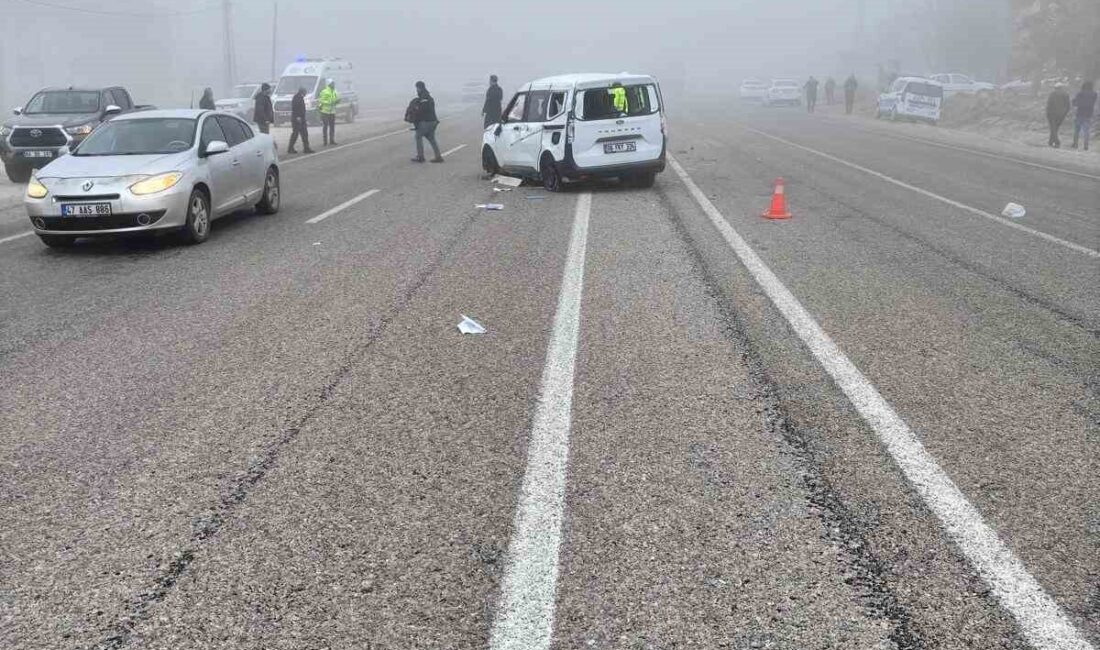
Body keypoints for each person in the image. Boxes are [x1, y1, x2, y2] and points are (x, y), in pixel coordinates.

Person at [410, 81, 443, 163]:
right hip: (433, 121)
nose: (416, 90)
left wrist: (416, 111)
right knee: (431, 138)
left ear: (419, 88)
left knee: (418, 136)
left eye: (417, 88)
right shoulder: (427, 96)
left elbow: (423, 110)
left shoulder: (424, 97)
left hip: (427, 122)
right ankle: (438, 157)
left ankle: (420, 156)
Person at [1070, 80, 1097, 151]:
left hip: (1080, 113)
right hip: (1088, 114)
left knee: (1077, 130)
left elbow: (1074, 102)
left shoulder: (1080, 93)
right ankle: (1086, 145)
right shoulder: (1094, 94)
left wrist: (1075, 103)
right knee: (1086, 131)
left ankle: (1075, 144)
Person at [287, 87, 314, 154]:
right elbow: (295, 108)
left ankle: (306, 148)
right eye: (305, 92)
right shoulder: (297, 98)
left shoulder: (299, 97)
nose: (306, 94)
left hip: (300, 118)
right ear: (303, 92)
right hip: (298, 119)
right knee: (296, 134)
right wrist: (298, 117)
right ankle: (290, 148)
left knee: (304, 134)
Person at [318, 78, 339, 146]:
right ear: (329, 84)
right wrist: (330, 102)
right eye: (332, 83)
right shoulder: (324, 91)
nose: (334, 85)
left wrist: (337, 101)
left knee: (332, 127)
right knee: (325, 127)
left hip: (332, 112)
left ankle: (332, 140)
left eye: (334, 83)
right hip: (325, 112)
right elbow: (321, 101)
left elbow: (337, 98)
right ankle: (325, 141)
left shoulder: (335, 91)